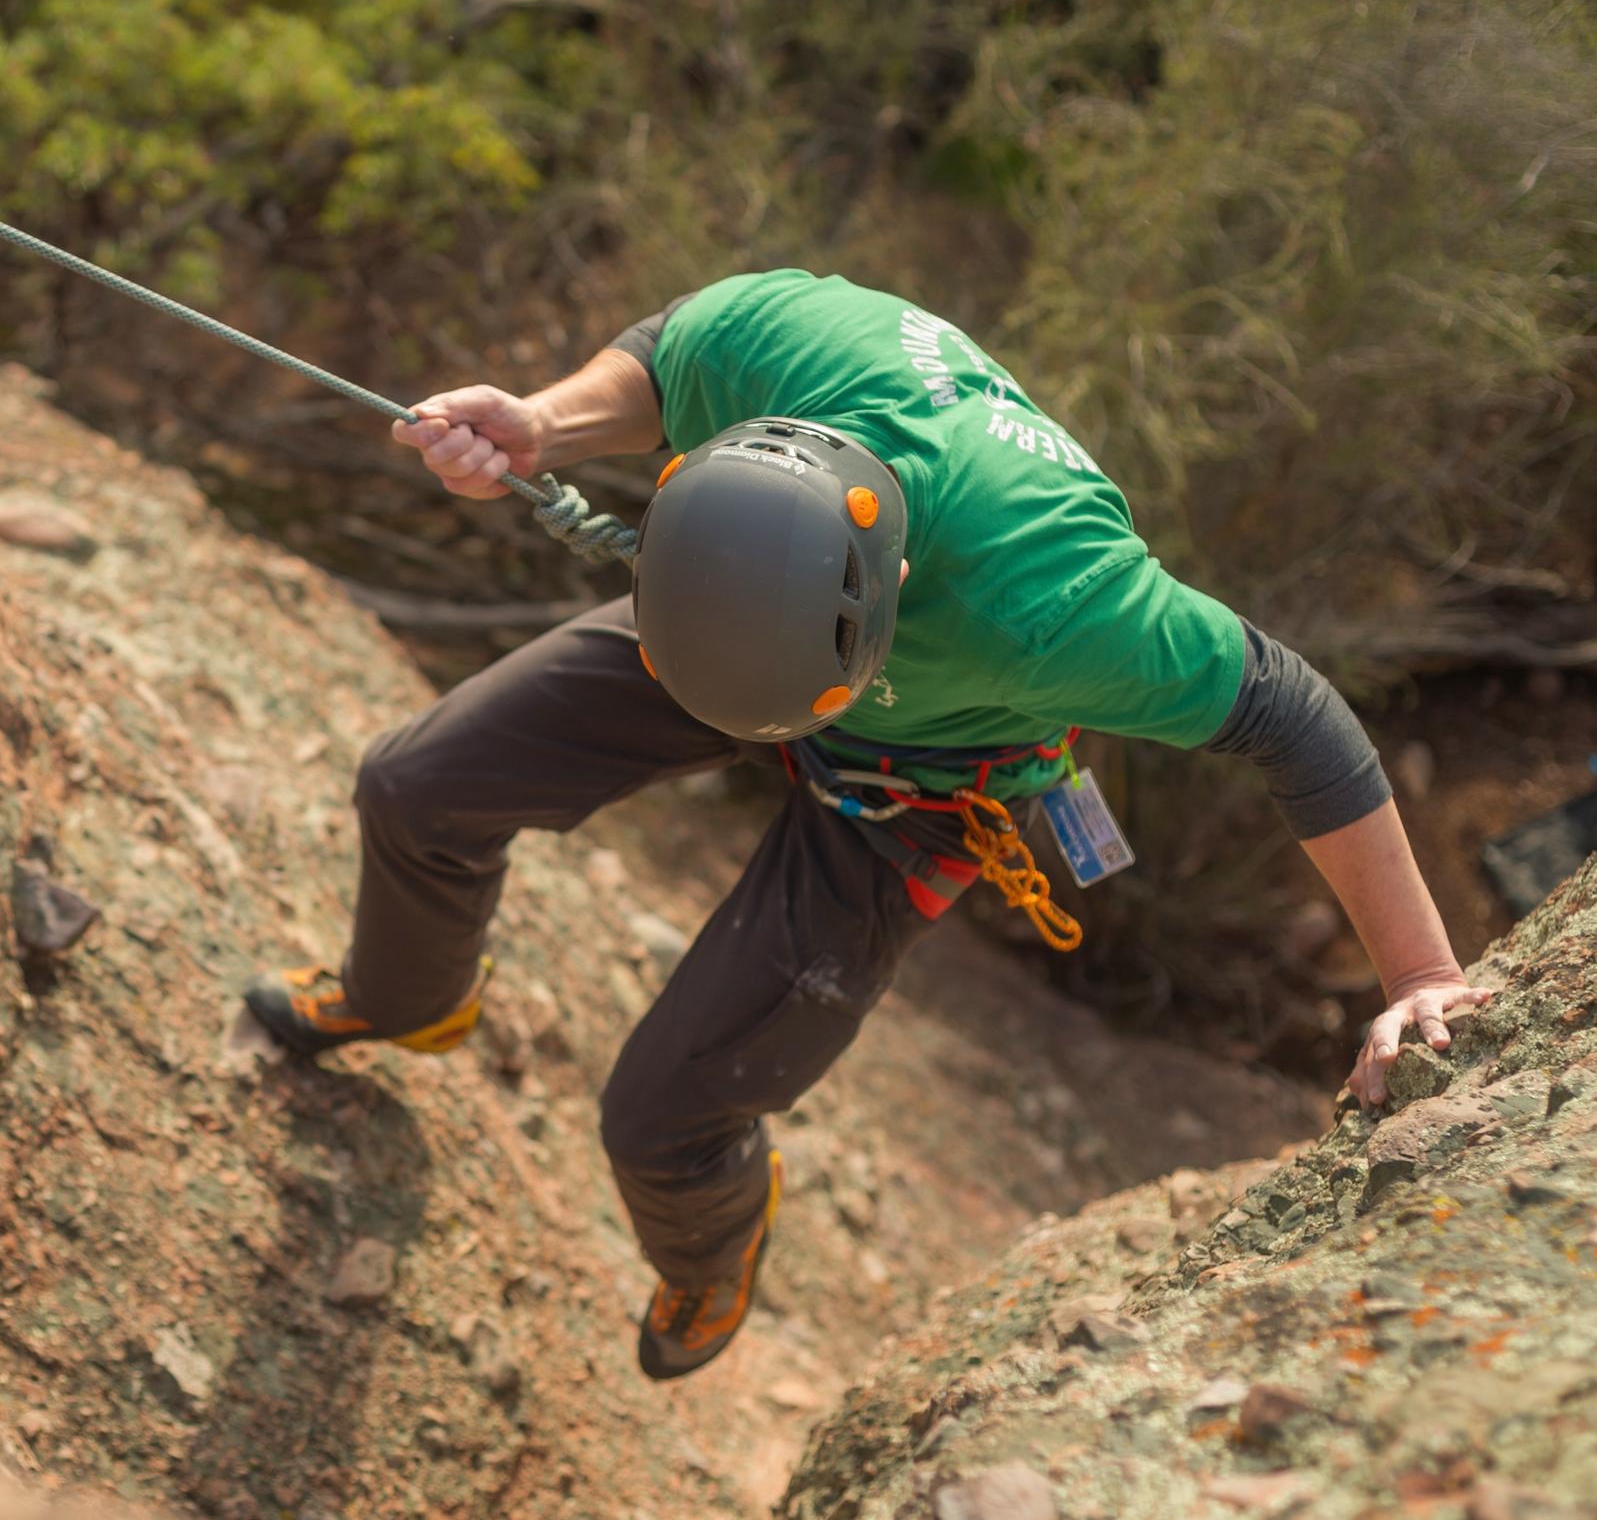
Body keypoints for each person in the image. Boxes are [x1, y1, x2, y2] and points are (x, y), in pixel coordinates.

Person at [243, 269, 1492, 1380]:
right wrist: (544, 421)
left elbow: (1295, 716)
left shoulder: (1061, 606)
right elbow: (670, 346)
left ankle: (712, 1242)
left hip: (926, 775)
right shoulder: (792, 342)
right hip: (715, 622)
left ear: (887, 590)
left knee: (663, 1114)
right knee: (417, 785)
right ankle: (407, 995)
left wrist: (1421, 974)